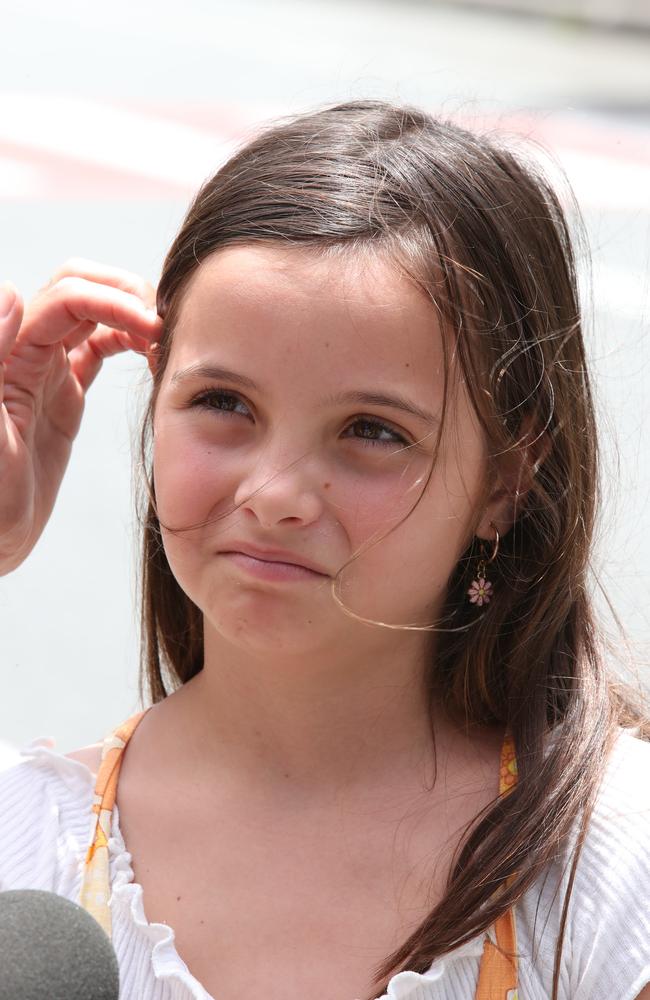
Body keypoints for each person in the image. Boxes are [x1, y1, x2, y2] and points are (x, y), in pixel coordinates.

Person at [0, 99, 649, 1000]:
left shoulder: (608, 875)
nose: (273, 496)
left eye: (372, 431)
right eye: (224, 403)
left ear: (506, 481)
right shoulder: (27, 841)